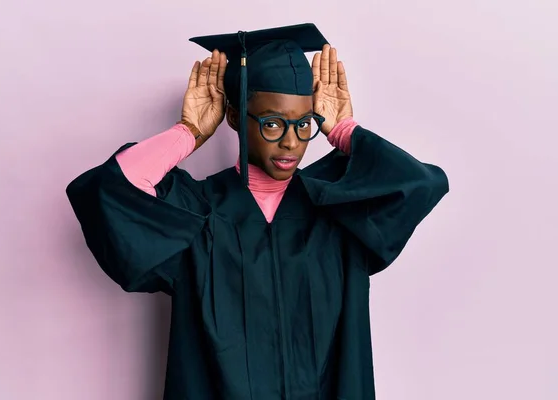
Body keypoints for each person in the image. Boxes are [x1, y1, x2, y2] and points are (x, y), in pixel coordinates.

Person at [66, 23, 449, 400]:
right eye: (271, 124)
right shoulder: (198, 212)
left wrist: (344, 130)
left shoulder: (335, 211)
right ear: (234, 118)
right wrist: (188, 133)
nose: (290, 142)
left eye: (303, 125)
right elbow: (106, 190)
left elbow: (421, 185)